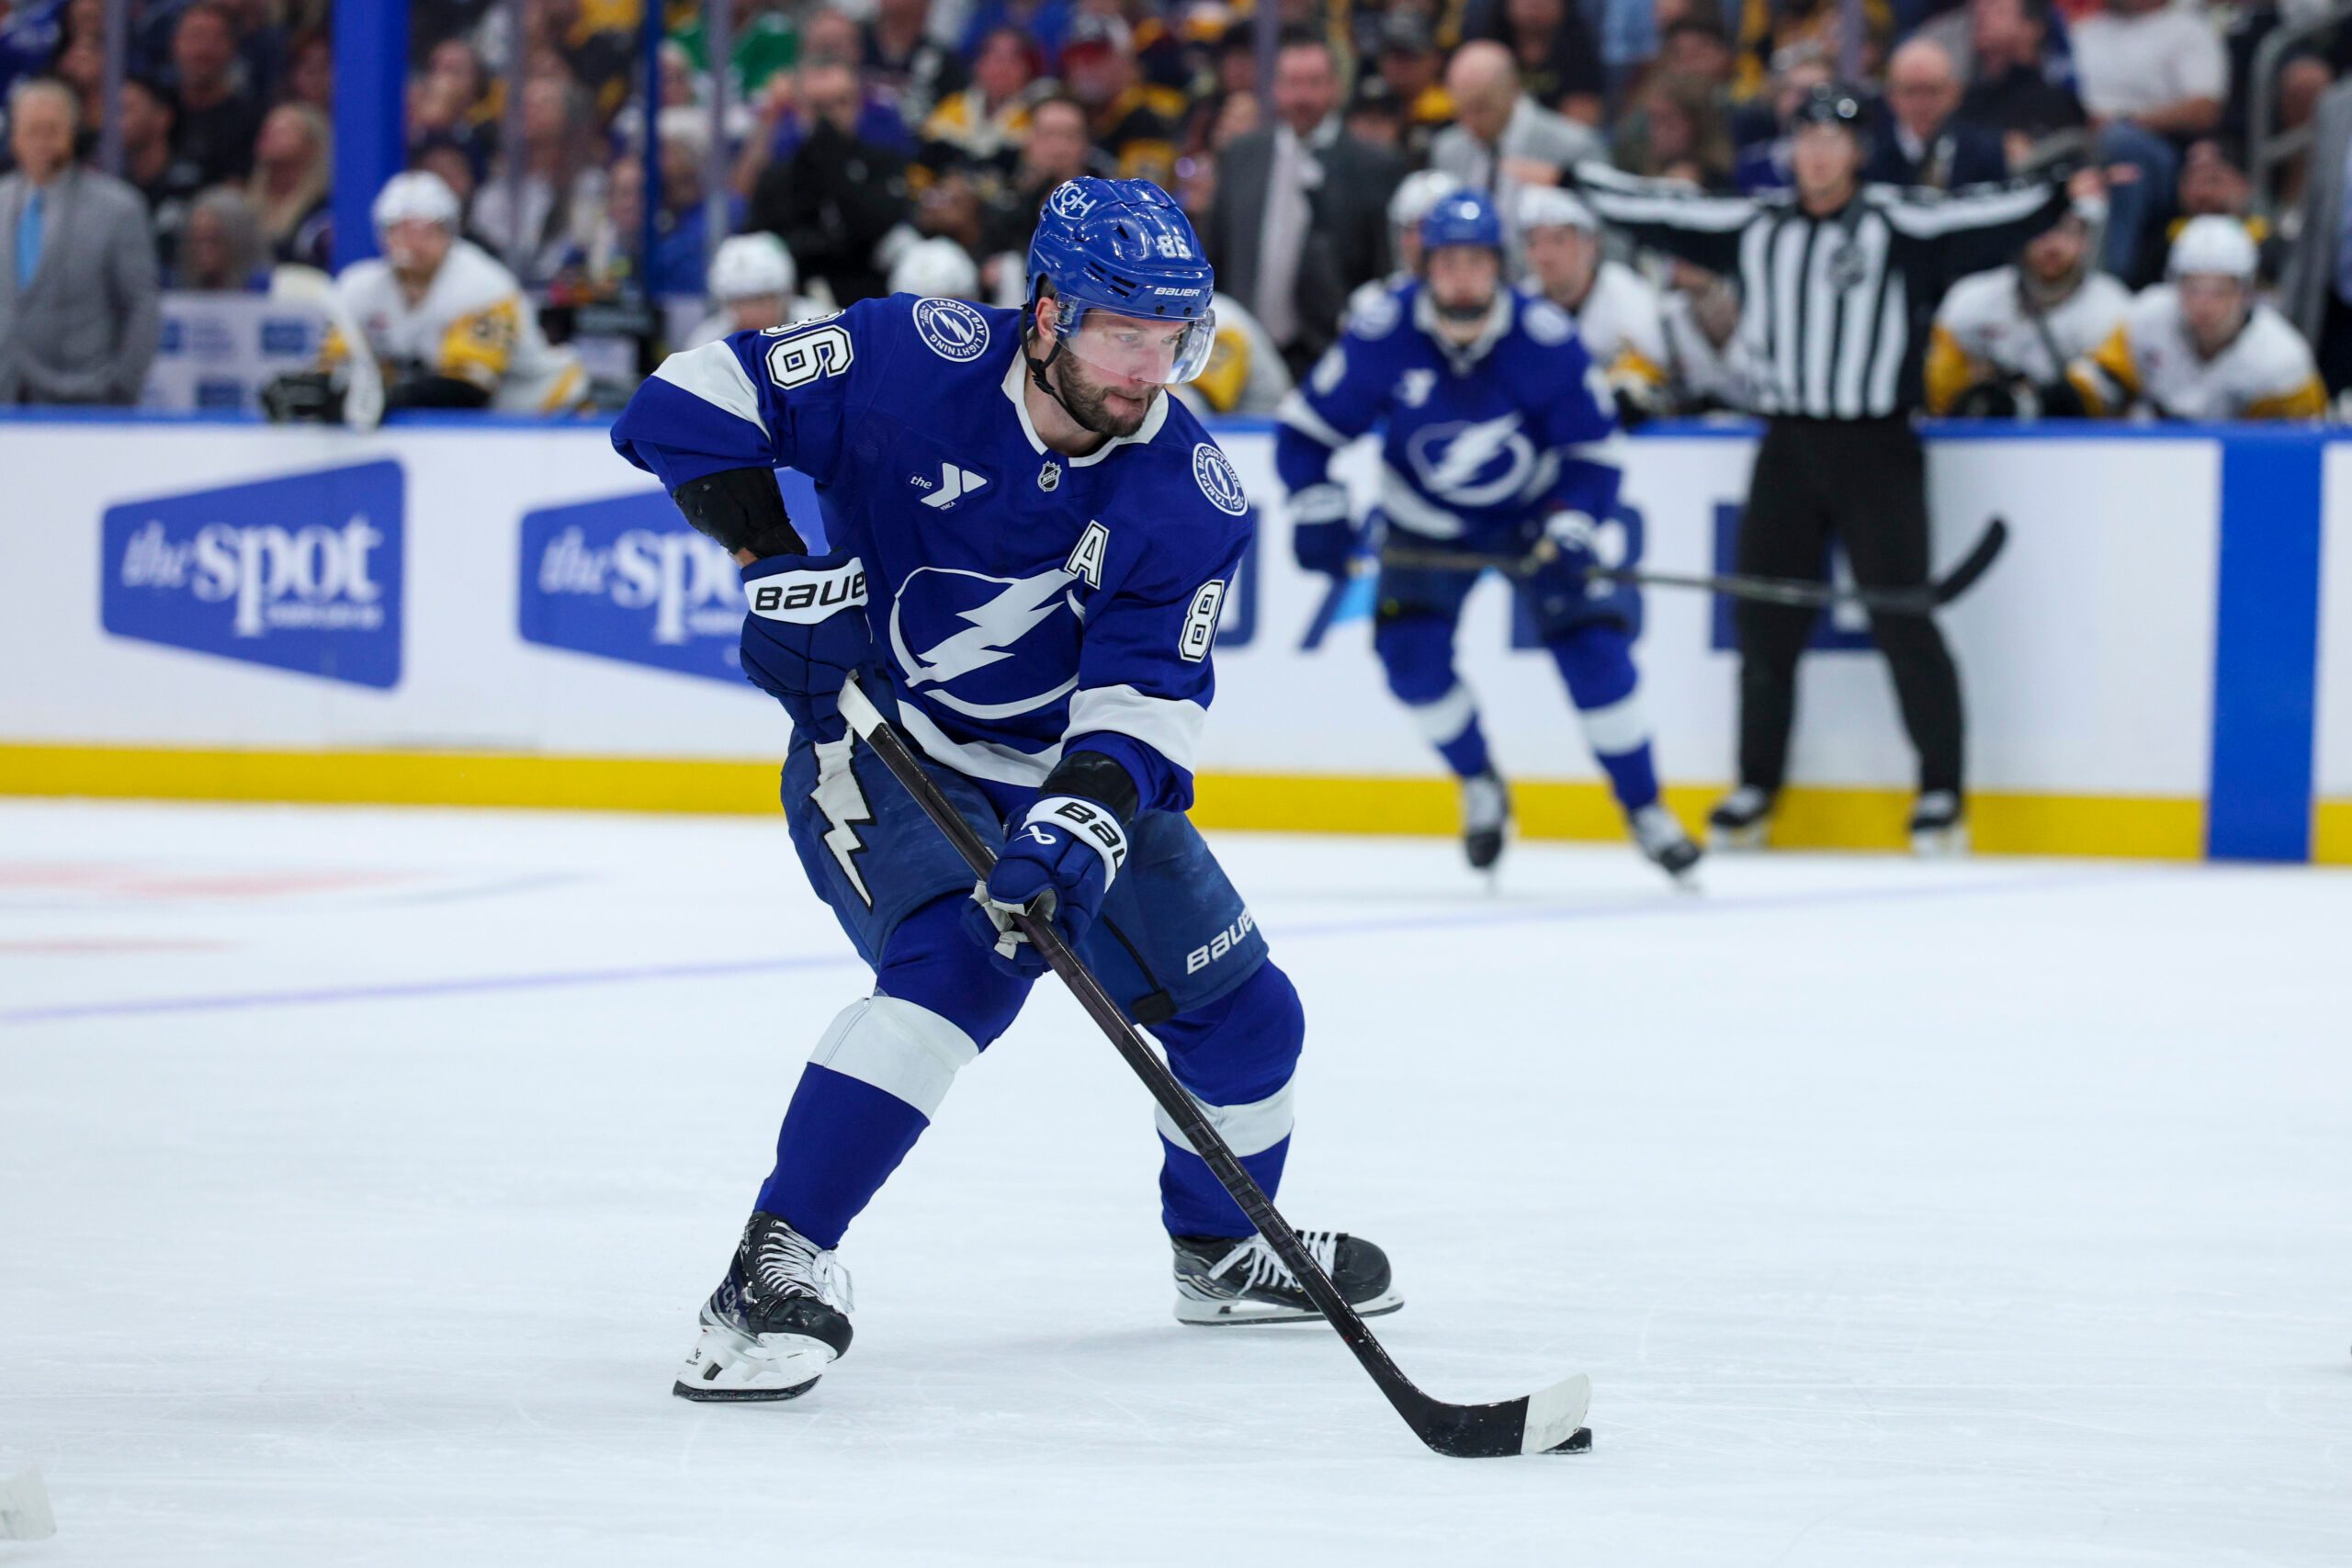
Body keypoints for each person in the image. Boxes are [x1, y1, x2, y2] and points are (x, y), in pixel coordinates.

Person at [608, 177, 1399, 1399]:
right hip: (884, 740)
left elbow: (1142, 704)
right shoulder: (905, 358)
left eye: (1171, 340)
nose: (1146, 372)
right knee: (959, 965)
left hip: (1053, 764)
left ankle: (1219, 1253)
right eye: (1120, 334)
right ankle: (769, 1268)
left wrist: (1079, 826)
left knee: (1250, 1020)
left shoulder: (1190, 495)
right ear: (1045, 315)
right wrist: (773, 562)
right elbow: (682, 399)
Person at [1574, 85, 2083, 854]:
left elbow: (1984, 216)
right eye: (1805, 139)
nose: (1816, 155)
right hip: (1787, 446)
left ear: (1856, 151)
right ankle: (1756, 785)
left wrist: (2058, 191)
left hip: (1876, 447)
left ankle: (1940, 791)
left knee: (1903, 617)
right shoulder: (1759, 227)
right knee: (1762, 622)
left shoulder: (1897, 222)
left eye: (1832, 141)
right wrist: (1576, 178)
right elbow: (1664, 213)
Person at [1273, 190, 1702, 883]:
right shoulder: (1385, 331)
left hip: (1530, 519)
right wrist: (1317, 504)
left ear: (1500, 266)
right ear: (1425, 267)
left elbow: (1594, 452)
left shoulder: (1544, 340)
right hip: (1424, 522)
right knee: (1412, 663)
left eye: (1477, 262)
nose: (1463, 279)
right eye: (1448, 263)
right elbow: (1306, 431)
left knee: (1596, 656)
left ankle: (1646, 806)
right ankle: (1479, 782)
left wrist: (1573, 520)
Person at [265, 171, 587, 421]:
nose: (411, 241)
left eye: (425, 230)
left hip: (550, 414)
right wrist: (319, 392)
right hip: (486, 428)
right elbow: (339, 368)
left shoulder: (483, 286)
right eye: (399, 229)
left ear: (449, 232)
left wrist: (384, 398)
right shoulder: (358, 289)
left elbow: (468, 390)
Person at [1203, 32, 1403, 380]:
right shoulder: (1242, 155)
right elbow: (1216, 253)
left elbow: (1383, 271)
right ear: (1275, 87)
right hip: (1243, 353)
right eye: (1292, 83)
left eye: (1314, 83)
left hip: (1334, 356)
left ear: (1335, 88)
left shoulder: (1374, 166)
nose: (1302, 97)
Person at [2063, 217, 2326, 421]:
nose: (2203, 305)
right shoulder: (2148, 316)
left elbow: (2299, 444)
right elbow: (2098, 386)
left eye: (2219, 292)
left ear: (2245, 293)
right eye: (2192, 289)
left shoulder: (2281, 357)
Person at [0, 78, 161, 406]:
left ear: (73, 134)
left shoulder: (118, 208)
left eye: (52, 130)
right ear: (15, 138)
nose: (42, 142)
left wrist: (121, 387)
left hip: (86, 397)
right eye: (32, 130)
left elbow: (142, 306)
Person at [2069, 0, 2227, 276]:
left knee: (2122, 146)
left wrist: (2127, 121)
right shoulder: (2084, 31)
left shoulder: (2187, 29)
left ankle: (2110, 274)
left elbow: (2205, 109)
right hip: (2078, 141)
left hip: (2160, 152)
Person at [1926, 209, 2130, 416]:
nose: (2053, 245)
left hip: (2075, 434)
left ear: (2085, 240)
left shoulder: (2112, 305)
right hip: (1986, 434)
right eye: (2042, 230)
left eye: (2067, 231)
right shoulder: (1970, 299)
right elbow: (1939, 394)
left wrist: (2034, 403)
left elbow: (2108, 393)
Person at [1516, 186, 1672, 423]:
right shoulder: (1521, 304)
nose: (1544, 255)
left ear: (1590, 244)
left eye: (1558, 240)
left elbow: (1649, 383)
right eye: (1533, 242)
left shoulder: (1627, 294)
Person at [1430, 40, 1603, 226]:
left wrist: (1563, 184)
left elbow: (1608, 230)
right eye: (1462, 110)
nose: (1471, 121)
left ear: (1512, 88)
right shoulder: (1448, 149)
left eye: (1481, 108)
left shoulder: (1574, 146)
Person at [1864, 38, 2007, 190]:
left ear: (1954, 93)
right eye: (1911, 91)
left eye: (1932, 90)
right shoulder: (1868, 154)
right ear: (1891, 96)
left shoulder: (1985, 151)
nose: (1921, 103)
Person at [685, 232, 802, 348]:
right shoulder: (708, 343)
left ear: (784, 296)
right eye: (739, 302)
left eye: (759, 300)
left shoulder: (810, 328)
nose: (750, 314)